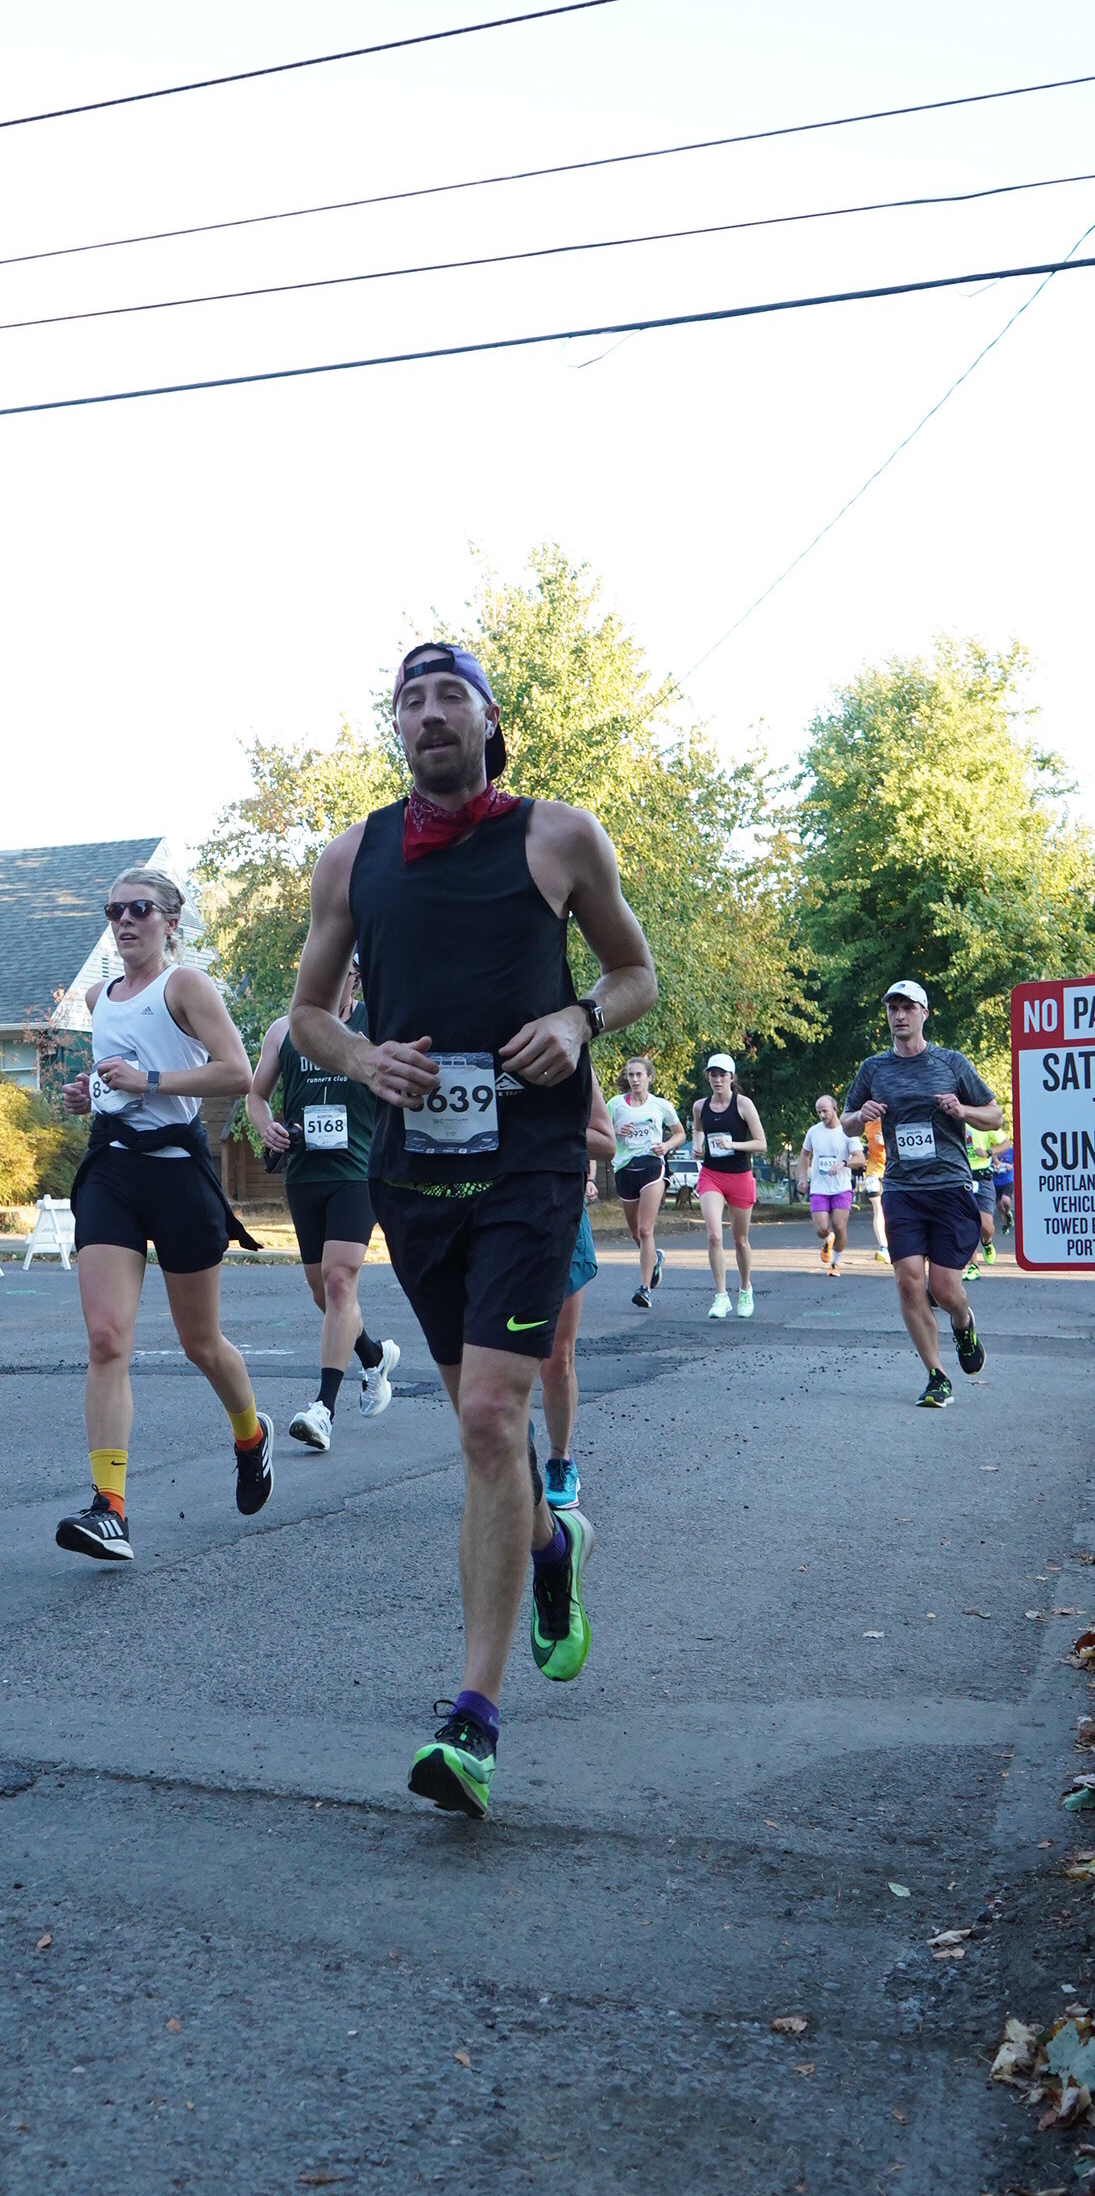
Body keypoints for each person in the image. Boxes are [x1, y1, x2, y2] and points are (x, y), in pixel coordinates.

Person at [288, 641, 656, 1821]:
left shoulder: (557, 835)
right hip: (415, 1175)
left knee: (494, 1416)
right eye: (411, 699)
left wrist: (578, 1017)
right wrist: (362, 1056)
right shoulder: (350, 856)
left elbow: (634, 971)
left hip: (531, 1165)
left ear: (489, 721)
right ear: (395, 727)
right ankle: (550, 1546)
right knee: (478, 1430)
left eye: (451, 695)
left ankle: (473, 1719)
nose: (430, 712)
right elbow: (306, 1012)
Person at [56, 869, 271, 1561]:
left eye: (139, 909)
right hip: (112, 1170)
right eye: (113, 910)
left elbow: (237, 1072)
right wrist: (88, 1093)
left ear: (170, 921)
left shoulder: (185, 986)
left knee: (200, 1343)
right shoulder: (99, 997)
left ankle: (251, 1436)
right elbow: (113, 1079)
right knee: (106, 1339)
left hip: (178, 1172)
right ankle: (110, 1509)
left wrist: (148, 1081)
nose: (124, 921)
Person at [245, 960, 399, 1450]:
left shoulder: (376, 1025)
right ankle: (373, 1356)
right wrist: (267, 1127)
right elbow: (255, 1095)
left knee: (338, 1280)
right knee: (325, 1293)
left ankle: (323, 1409)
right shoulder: (284, 1031)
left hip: (359, 1171)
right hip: (305, 1175)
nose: (333, 979)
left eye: (345, 971)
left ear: (357, 976)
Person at [841, 979, 1001, 1407]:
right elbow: (847, 1122)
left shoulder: (951, 1063)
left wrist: (962, 1110)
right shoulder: (874, 1069)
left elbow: (995, 1116)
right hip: (902, 1189)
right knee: (909, 1282)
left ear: (924, 1013)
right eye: (892, 1008)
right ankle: (937, 1376)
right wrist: (861, 1114)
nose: (899, 1015)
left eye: (907, 1008)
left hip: (949, 1187)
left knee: (945, 1289)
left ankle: (963, 1322)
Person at [534, 1073, 617, 1514]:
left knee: (556, 1358)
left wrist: (535, 1128)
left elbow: (605, 1142)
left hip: (557, 1215)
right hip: (489, 1219)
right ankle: (508, 1447)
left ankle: (560, 1460)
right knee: (489, 1354)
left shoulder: (567, 1057)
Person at [692, 1052, 767, 1318]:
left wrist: (732, 1144)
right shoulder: (700, 1106)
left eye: (722, 1075)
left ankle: (745, 1289)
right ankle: (721, 1296)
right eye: (713, 1075)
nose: (717, 1080)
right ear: (708, 1078)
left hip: (739, 1176)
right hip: (711, 1175)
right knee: (714, 1235)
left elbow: (761, 1143)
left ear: (732, 1078)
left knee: (740, 1240)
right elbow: (698, 1129)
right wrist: (697, 1146)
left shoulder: (743, 1104)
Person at [607, 1055, 683, 1308]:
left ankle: (644, 1289)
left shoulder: (660, 1105)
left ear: (649, 1077)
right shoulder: (615, 1104)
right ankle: (655, 1259)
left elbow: (680, 1133)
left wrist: (667, 1146)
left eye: (639, 1074)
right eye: (630, 1075)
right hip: (625, 1169)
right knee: (635, 1233)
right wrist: (615, 1131)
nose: (635, 1079)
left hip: (652, 1167)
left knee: (645, 1229)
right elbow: (600, 1131)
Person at [799, 1093, 863, 1272]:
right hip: (819, 1187)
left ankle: (836, 1261)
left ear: (835, 1109)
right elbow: (804, 1155)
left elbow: (860, 1158)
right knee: (821, 1228)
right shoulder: (813, 1131)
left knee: (839, 1225)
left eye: (825, 1111)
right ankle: (828, 1238)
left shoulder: (848, 1131)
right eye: (819, 1112)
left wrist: (843, 1163)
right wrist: (802, 1178)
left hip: (841, 1188)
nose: (822, 1115)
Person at [964, 1117, 1005, 1274]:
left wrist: (989, 1152)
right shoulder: (953, 1120)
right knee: (969, 1224)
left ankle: (987, 1243)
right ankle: (973, 1265)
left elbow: (1006, 1143)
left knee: (986, 1227)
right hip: (962, 1177)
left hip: (982, 1178)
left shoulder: (982, 1120)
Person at [861, 1114, 889, 1260]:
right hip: (874, 1172)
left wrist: (887, 1141)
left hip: (893, 1171)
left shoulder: (893, 1119)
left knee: (893, 1209)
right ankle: (884, 1247)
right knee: (878, 1208)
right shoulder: (867, 1124)